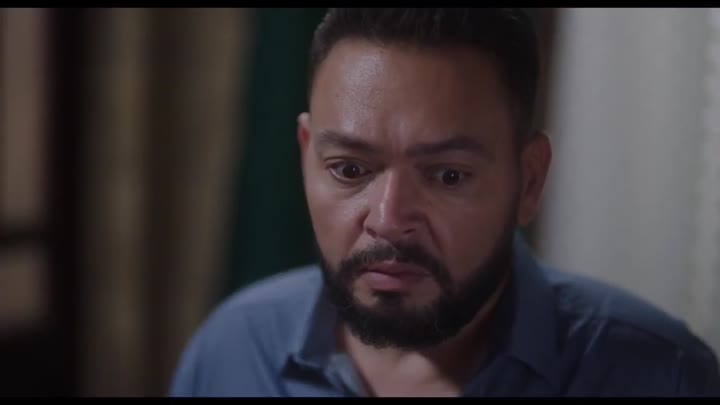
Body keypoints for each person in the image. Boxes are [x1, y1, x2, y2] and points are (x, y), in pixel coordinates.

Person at [168, 8, 720, 397]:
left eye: (448, 176)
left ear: (529, 182)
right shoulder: (233, 350)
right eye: (350, 170)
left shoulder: (661, 375)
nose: (388, 220)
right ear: (306, 154)